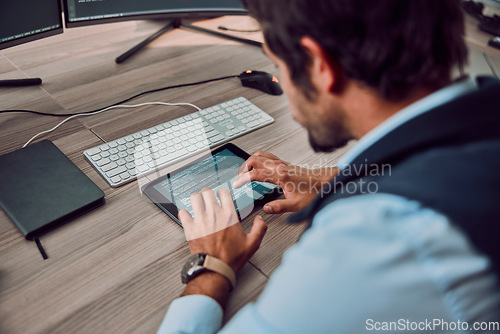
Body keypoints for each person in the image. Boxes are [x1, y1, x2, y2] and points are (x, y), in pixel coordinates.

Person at [158, 0, 500, 333]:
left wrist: (211, 269)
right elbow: (434, 165)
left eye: (279, 66)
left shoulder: (376, 236)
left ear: (320, 65)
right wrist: (329, 180)